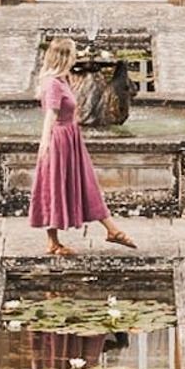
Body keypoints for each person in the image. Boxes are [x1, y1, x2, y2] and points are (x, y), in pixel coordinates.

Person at [28, 36, 136, 256]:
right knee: (54, 186)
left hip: (71, 137)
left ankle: (111, 230)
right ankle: (53, 242)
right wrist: (45, 144)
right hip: (59, 140)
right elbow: (51, 115)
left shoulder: (61, 79)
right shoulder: (53, 84)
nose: (77, 57)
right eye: (73, 53)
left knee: (85, 184)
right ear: (64, 57)